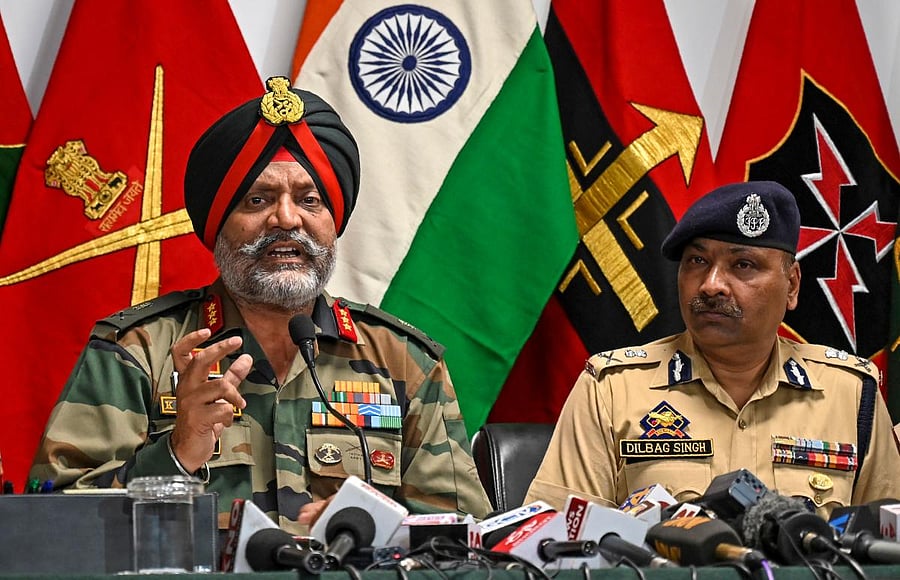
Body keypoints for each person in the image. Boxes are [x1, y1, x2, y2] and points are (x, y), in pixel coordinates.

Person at [29, 76, 492, 533]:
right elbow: (49, 529)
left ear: (334, 223)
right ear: (219, 225)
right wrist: (176, 451)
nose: (287, 219)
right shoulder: (139, 351)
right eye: (258, 199)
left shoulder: (402, 360)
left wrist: (369, 533)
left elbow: (468, 540)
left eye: (310, 200)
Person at [525, 180, 900, 518]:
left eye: (743, 264)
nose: (711, 285)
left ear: (791, 285)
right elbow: (551, 544)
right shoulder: (612, 389)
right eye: (697, 261)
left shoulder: (850, 395)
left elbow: (888, 542)